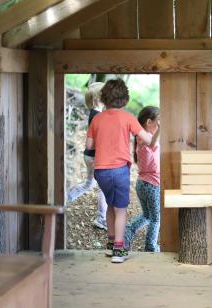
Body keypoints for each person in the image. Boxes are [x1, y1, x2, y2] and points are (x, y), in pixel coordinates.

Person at [85, 79, 159, 263]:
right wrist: (159, 131)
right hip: (119, 170)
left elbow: (88, 145)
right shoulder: (128, 118)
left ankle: (110, 247)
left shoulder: (97, 119)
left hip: (101, 171)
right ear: (125, 99)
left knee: (111, 206)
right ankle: (119, 251)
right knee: (121, 210)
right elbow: (149, 142)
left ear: (104, 97)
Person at [67, 82, 108, 230]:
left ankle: (65, 198)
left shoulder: (94, 114)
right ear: (98, 98)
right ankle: (101, 218)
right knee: (104, 188)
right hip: (96, 157)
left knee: (89, 183)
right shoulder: (98, 116)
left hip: (89, 156)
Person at [125, 106, 161, 252]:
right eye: (158, 121)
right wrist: (159, 129)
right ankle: (151, 246)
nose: (159, 124)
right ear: (148, 122)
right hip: (151, 185)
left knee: (147, 216)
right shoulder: (142, 136)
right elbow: (152, 142)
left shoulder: (145, 136)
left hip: (145, 184)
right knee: (156, 218)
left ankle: (128, 231)